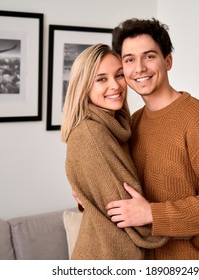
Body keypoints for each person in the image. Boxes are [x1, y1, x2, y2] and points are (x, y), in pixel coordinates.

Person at [105, 18, 199, 260]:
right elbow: (123, 186)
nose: (139, 68)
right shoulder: (132, 124)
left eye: (149, 56)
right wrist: (89, 195)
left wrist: (153, 215)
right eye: (129, 60)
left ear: (167, 61)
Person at [61, 44, 168, 260]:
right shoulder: (92, 133)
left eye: (119, 75)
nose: (115, 86)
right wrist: (183, 224)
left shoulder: (118, 126)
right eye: (101, 79)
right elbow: (129, 213)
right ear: (84, 86)